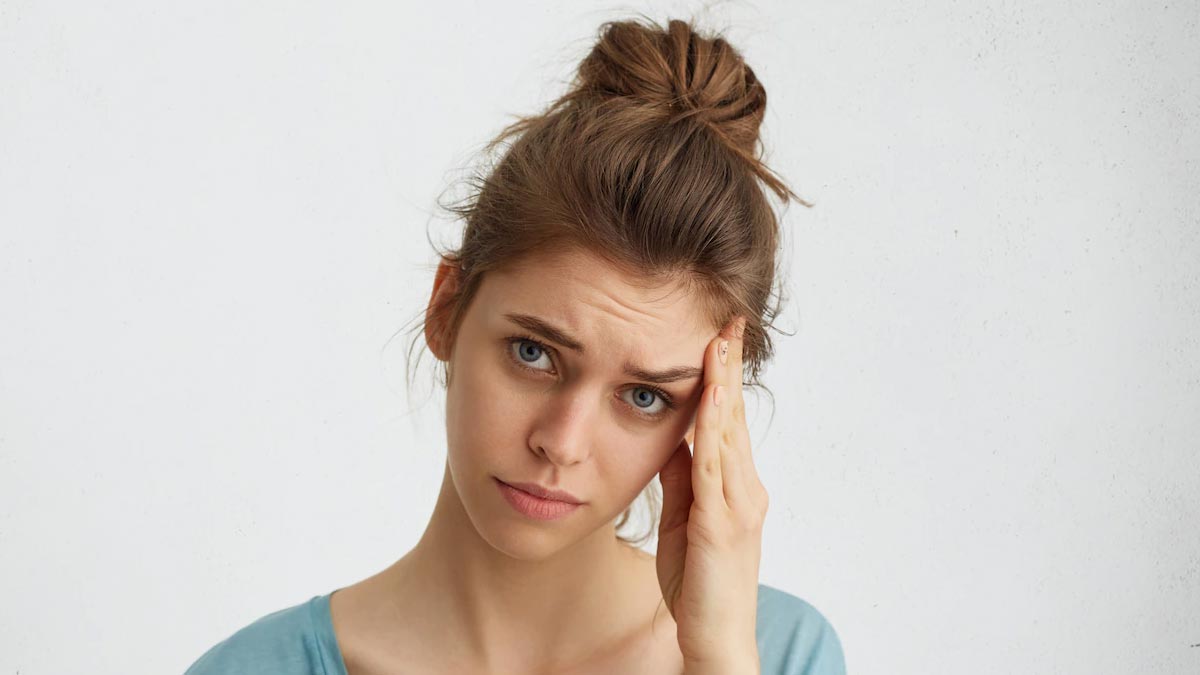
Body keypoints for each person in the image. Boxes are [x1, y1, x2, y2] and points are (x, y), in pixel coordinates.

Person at [184, 15, 846, 675]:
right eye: (534, 353)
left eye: (645, 396)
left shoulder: (779, 654)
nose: (562, 443)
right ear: (447, 308)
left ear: (708, 409)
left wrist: (720, 658)